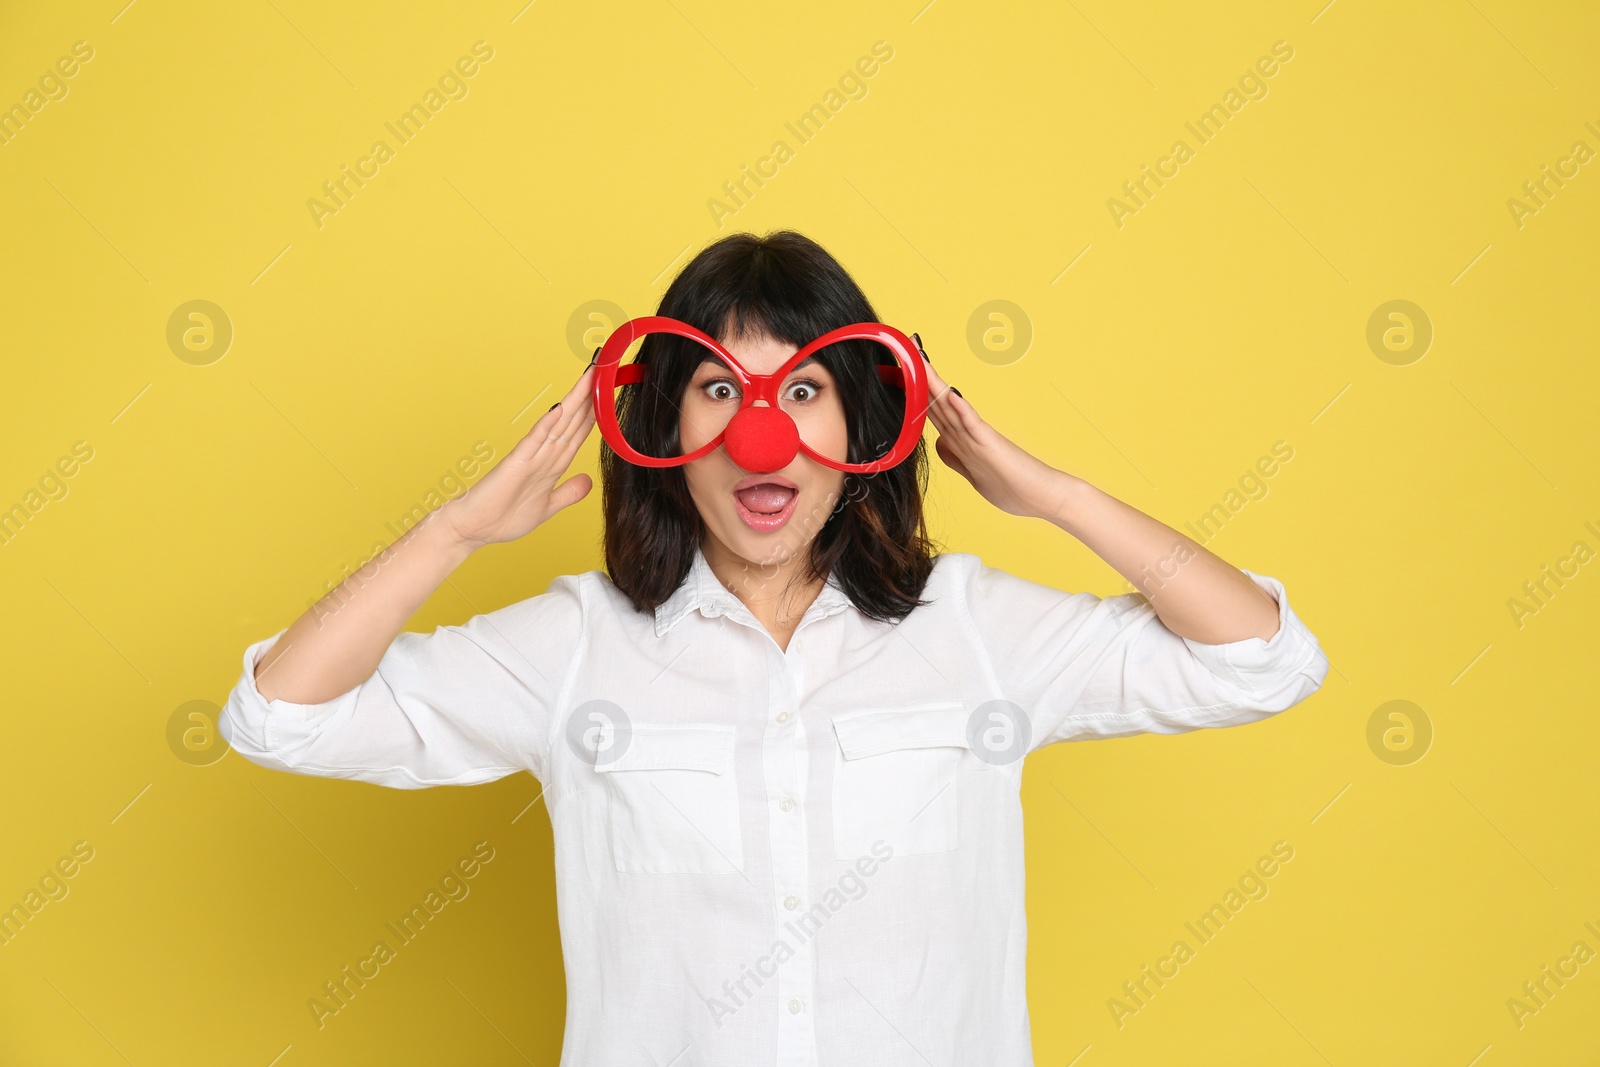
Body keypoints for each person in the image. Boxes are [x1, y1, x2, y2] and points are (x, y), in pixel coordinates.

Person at [220, 230, 1329, 1066]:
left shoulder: (976, 628)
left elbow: (1264, 656)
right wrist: (455, 527)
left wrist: (1057, 496)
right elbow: (281, 712)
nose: (765, 433)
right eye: (720, 390)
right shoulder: (575, 646)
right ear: (667, 429)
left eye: (804, 389)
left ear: (861, 426)